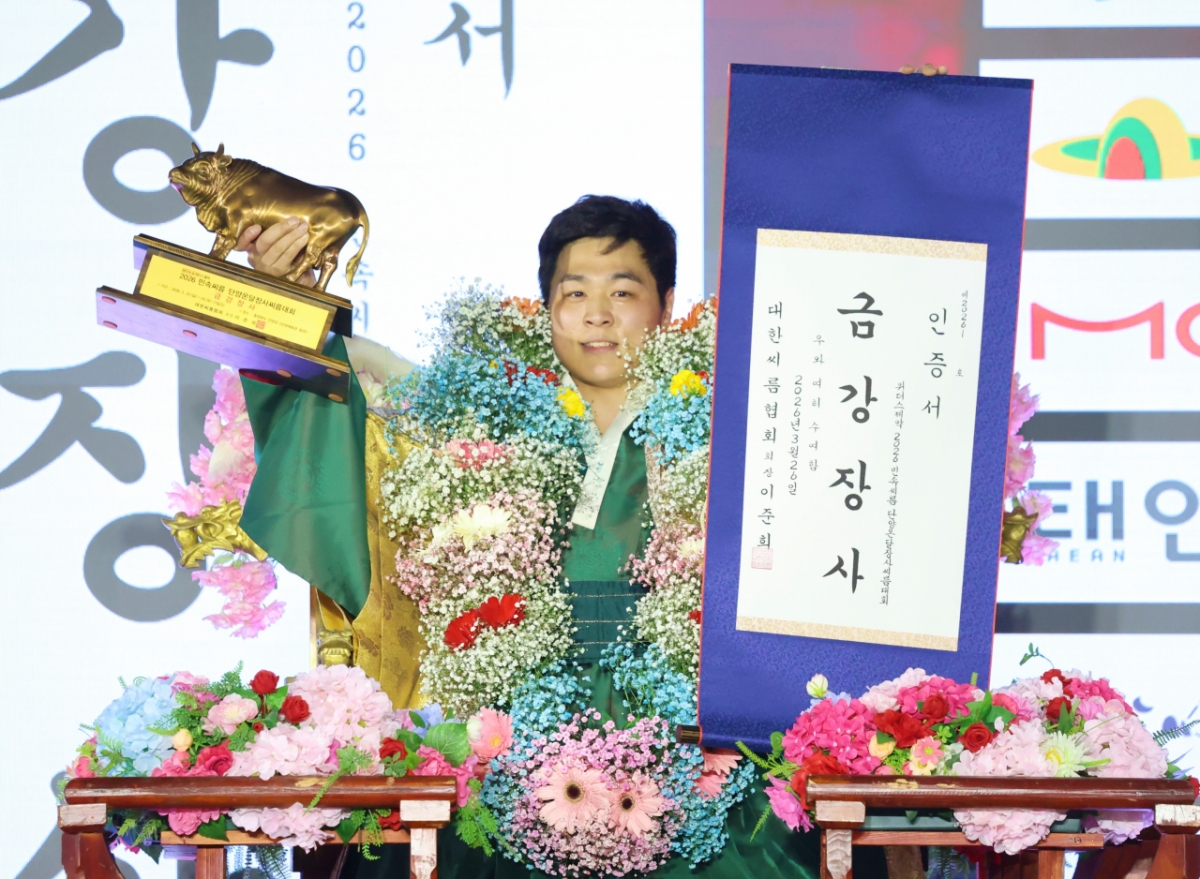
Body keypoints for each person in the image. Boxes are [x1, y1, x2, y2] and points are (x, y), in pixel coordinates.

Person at [237, 197, 883, 878]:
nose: (597, 314)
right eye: (574, 293)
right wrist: (288, 308)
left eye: (623, 292)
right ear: (547, 308)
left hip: (695, 736)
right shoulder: (472, 422)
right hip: (509, 734)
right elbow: (346, 451)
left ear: (666, 305)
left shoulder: (742, 424)